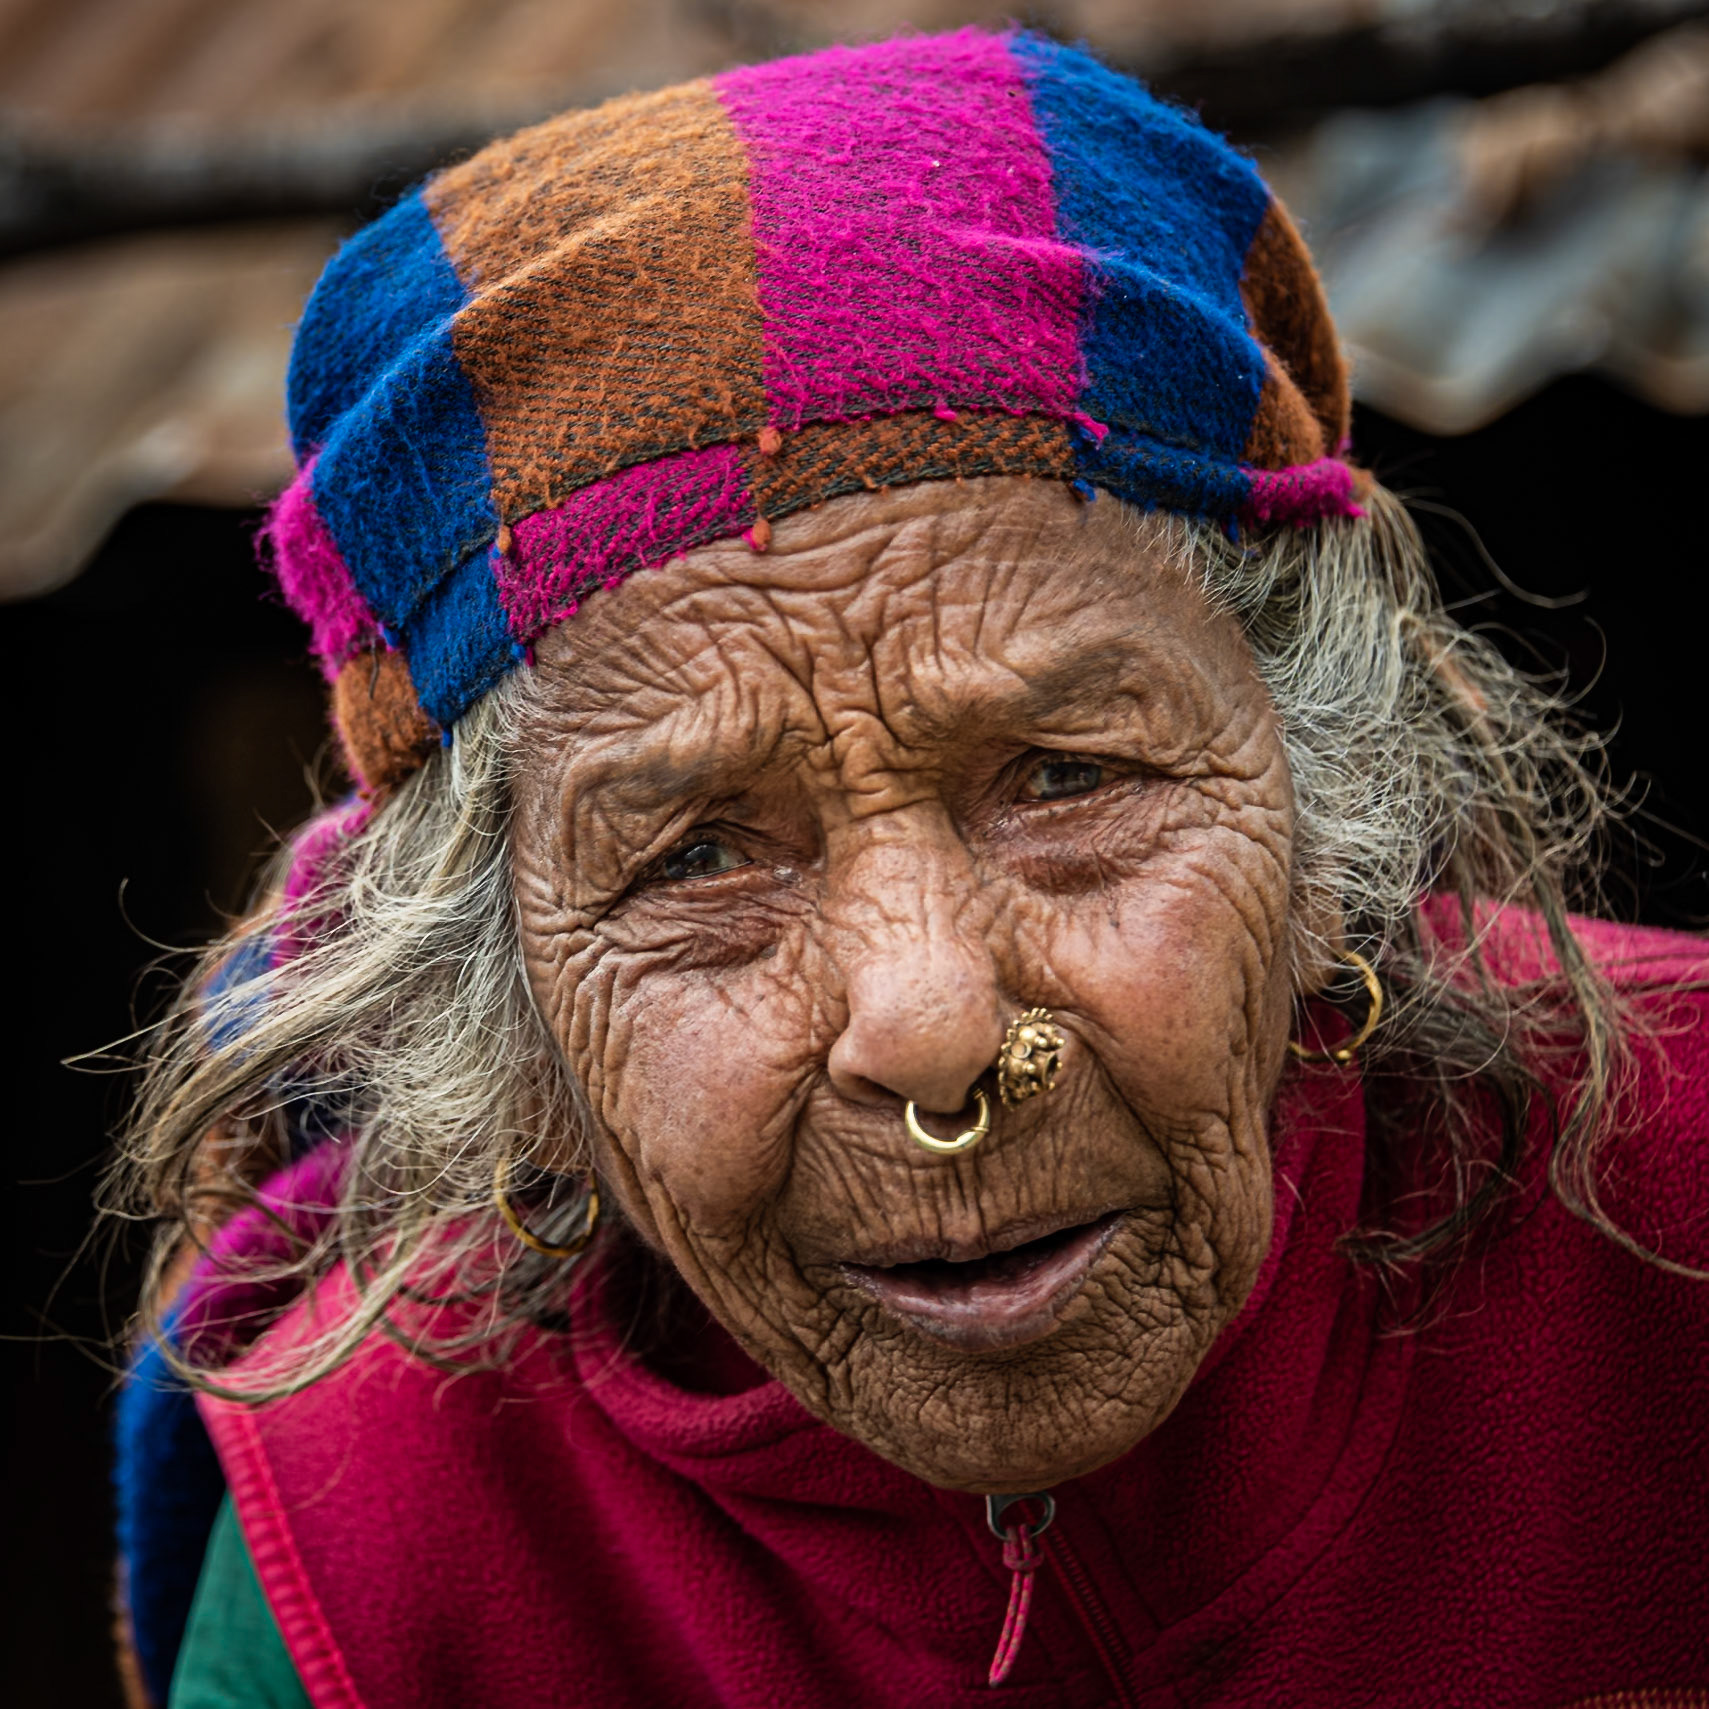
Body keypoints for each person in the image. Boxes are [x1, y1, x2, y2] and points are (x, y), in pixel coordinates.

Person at [110, 28, 1709, 1709]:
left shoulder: (1672, 1212)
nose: (937, 1032)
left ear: (1325, 804)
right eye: (700, 854)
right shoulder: (379, 1549)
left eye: (1065, 777)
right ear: (502, 1006)